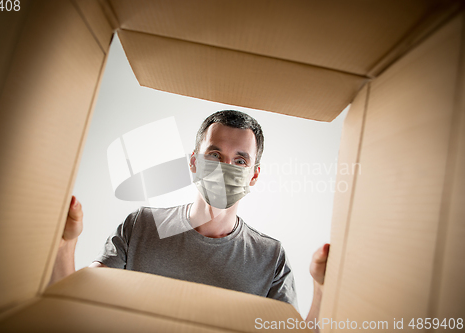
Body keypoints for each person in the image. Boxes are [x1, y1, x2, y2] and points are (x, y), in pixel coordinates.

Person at [50, 110, 329, 332]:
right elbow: (75, 309)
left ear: (254, 175)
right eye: (215, 155)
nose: (224, 169)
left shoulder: (270, 257)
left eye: (240, 162)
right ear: (194, 162)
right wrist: (64, 245)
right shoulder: (141, 226)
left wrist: (322, 291)